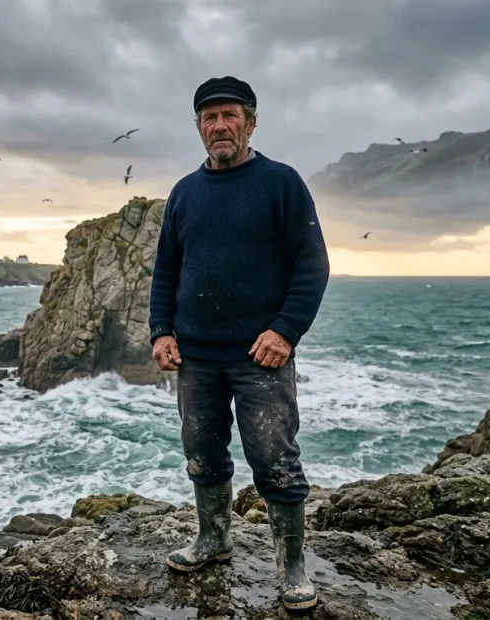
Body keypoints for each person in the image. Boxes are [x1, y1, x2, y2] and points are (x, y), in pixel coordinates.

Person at [148, 75, 330, 611]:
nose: (220, 125)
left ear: (252, 122)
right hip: (197, 357)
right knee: (202, 455)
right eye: (210, 117)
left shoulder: (281, 183)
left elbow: (312, 264)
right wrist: (161, 331)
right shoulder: (184, 192)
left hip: (261, 357)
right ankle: (214, 538)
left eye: (231, 115)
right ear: (199, 127)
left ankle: (291, 566)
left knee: (275, 459)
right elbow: (166, 272)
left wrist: (285, 331)